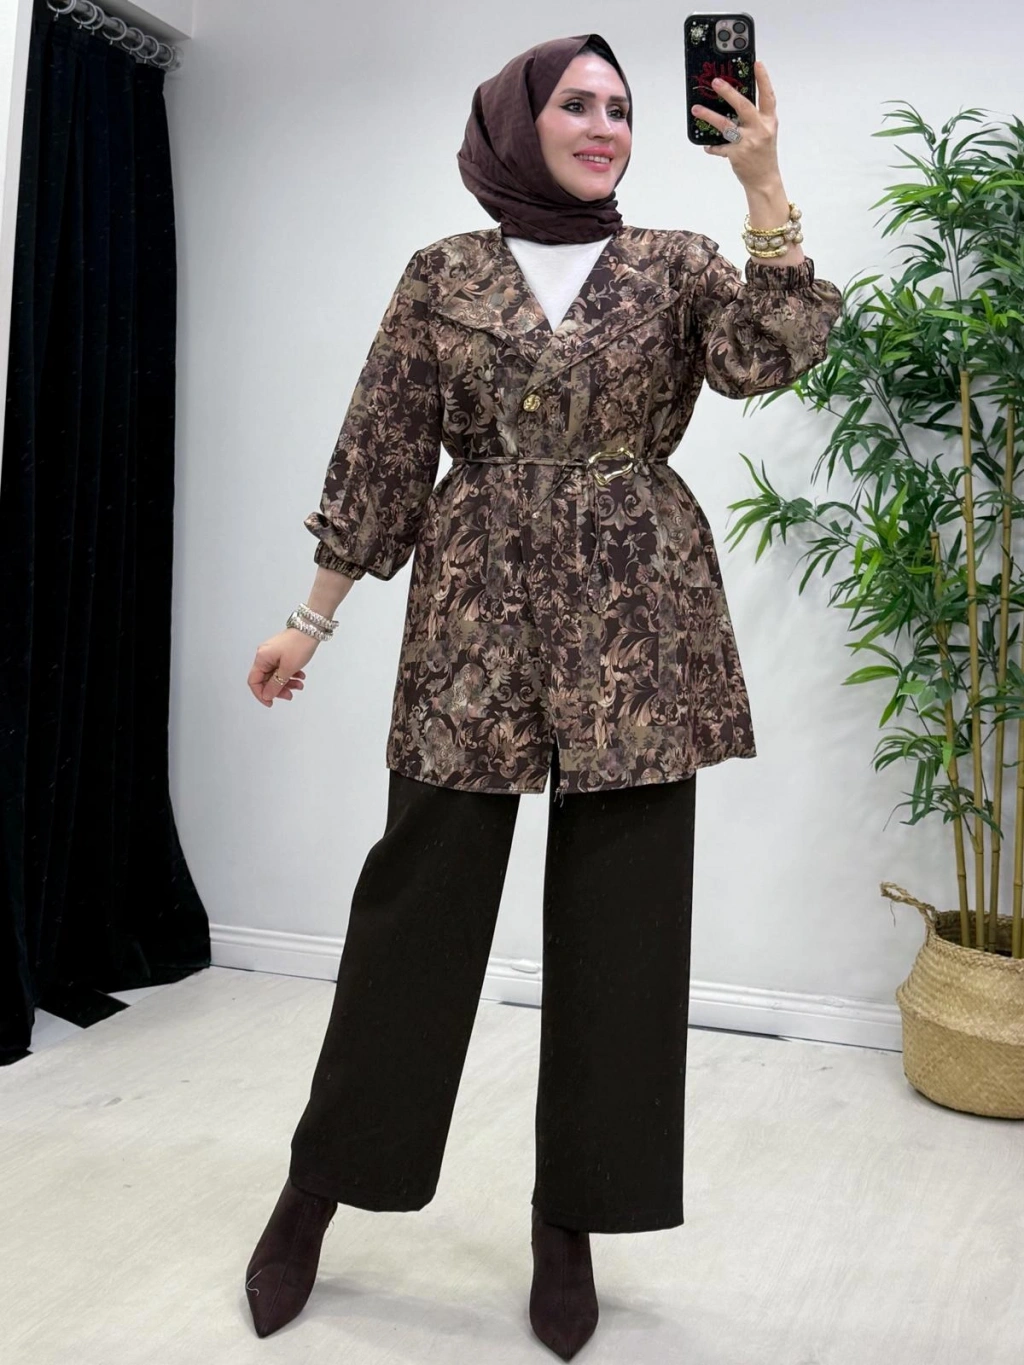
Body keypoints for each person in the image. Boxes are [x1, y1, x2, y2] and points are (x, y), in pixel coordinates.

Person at [242, 32, 842, 1357]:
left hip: (641, 620)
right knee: (415, 916)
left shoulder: (675, 262)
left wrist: (762, 180)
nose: (604, 125)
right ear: (517, 122)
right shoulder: (443, 273)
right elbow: (384, 448)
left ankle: (571, 1220)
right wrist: (309, 620)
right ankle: (317, 1189)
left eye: (620, 108)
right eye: (577, 103)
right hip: (474, 614)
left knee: (624, 935)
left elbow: (769, 355)